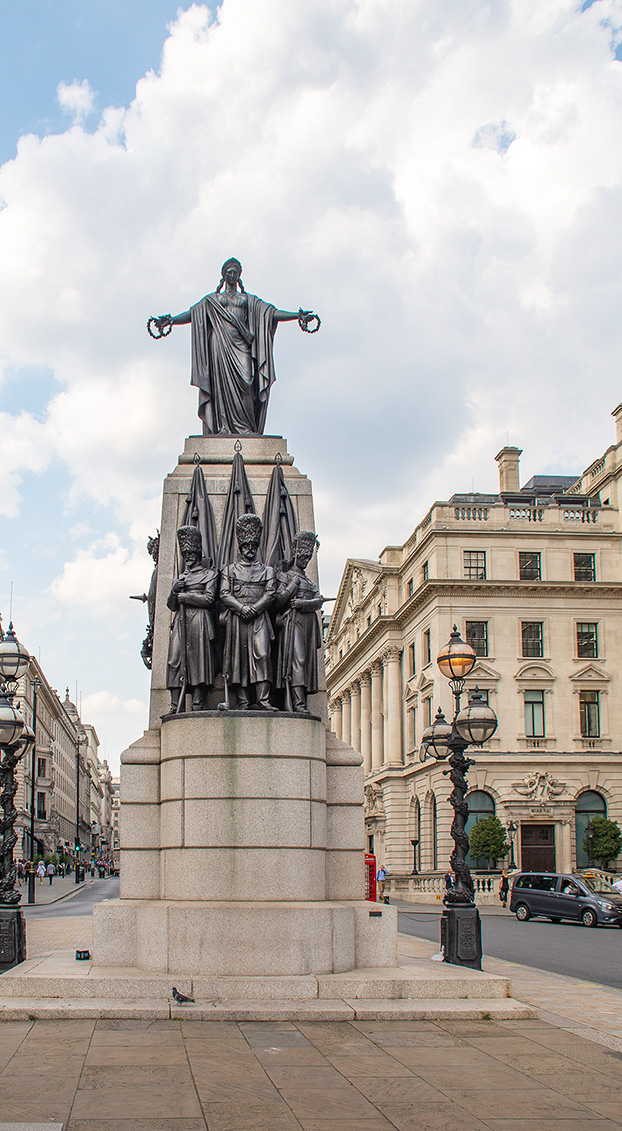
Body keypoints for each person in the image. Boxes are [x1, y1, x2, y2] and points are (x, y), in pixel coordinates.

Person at [151, 258, 315, 436]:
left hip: (241, 344)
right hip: (219, 345)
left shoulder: (248, 300)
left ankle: (246, 428)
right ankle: (223, 427)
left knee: (247, 381)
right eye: (228, 272)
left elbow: (271, 313)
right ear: (223, 275)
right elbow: (193, 314)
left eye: (234, 272)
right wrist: (171, 321)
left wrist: (296, 316)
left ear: (239, 276)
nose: (231, 275)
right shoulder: (213, 300)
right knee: (220, 386)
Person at [220, 514, 277, 710]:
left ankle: (263, 700)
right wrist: (242, 608)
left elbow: (270, 594)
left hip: (259, 617)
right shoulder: (230, 570)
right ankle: (243, 702)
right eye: (246, 546)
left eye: (253, 546)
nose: (250, 549)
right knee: (239, 659)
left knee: (262, 655)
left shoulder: (268, 571)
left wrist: (254, 609)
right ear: (240, 547)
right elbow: (224, 594)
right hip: (238, 617)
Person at [166, 525, 219, 712]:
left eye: (191, 553)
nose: (188, 556)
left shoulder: (209, 574)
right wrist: (174, 590)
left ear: (198, 552)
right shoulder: (179, 578)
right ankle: (175, 705)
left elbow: (210, 599)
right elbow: (171, 605)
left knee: (199, 661)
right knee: (174, 660)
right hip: (181, 621)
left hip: (200, 620)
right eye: (185, 553)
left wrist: (187, 597)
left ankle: (197, 703)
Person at [275, 531, 324, 714]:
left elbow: (318, 600)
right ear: (295, 553)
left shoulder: (310, 582)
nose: (305, 560)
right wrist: (292, 586)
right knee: (298, 660)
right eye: (303, 556)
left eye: (308, 557)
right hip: (292, 623)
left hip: (308, 623)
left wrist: (303, 603)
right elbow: (278, 600)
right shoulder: (285, 576)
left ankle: (301, 700)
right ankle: (297, 703)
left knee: (306, 662)